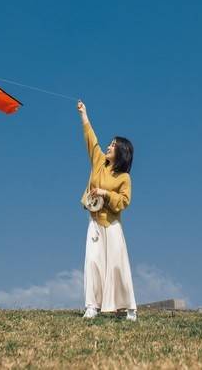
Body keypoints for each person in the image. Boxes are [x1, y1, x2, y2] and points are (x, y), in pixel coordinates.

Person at [77, 100, 137, 321]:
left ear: (121, 152)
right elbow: (91, 139)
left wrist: (104, 193)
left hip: (112, 225)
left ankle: (129, 308)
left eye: (113, 145)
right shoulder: (99, 162)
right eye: (109, 143)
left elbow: (124, 201)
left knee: (116, 265)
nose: (108, 146)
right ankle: (92, 306)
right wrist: (84, 115)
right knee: (92, 262)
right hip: (94, 222)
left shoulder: (124, 177)